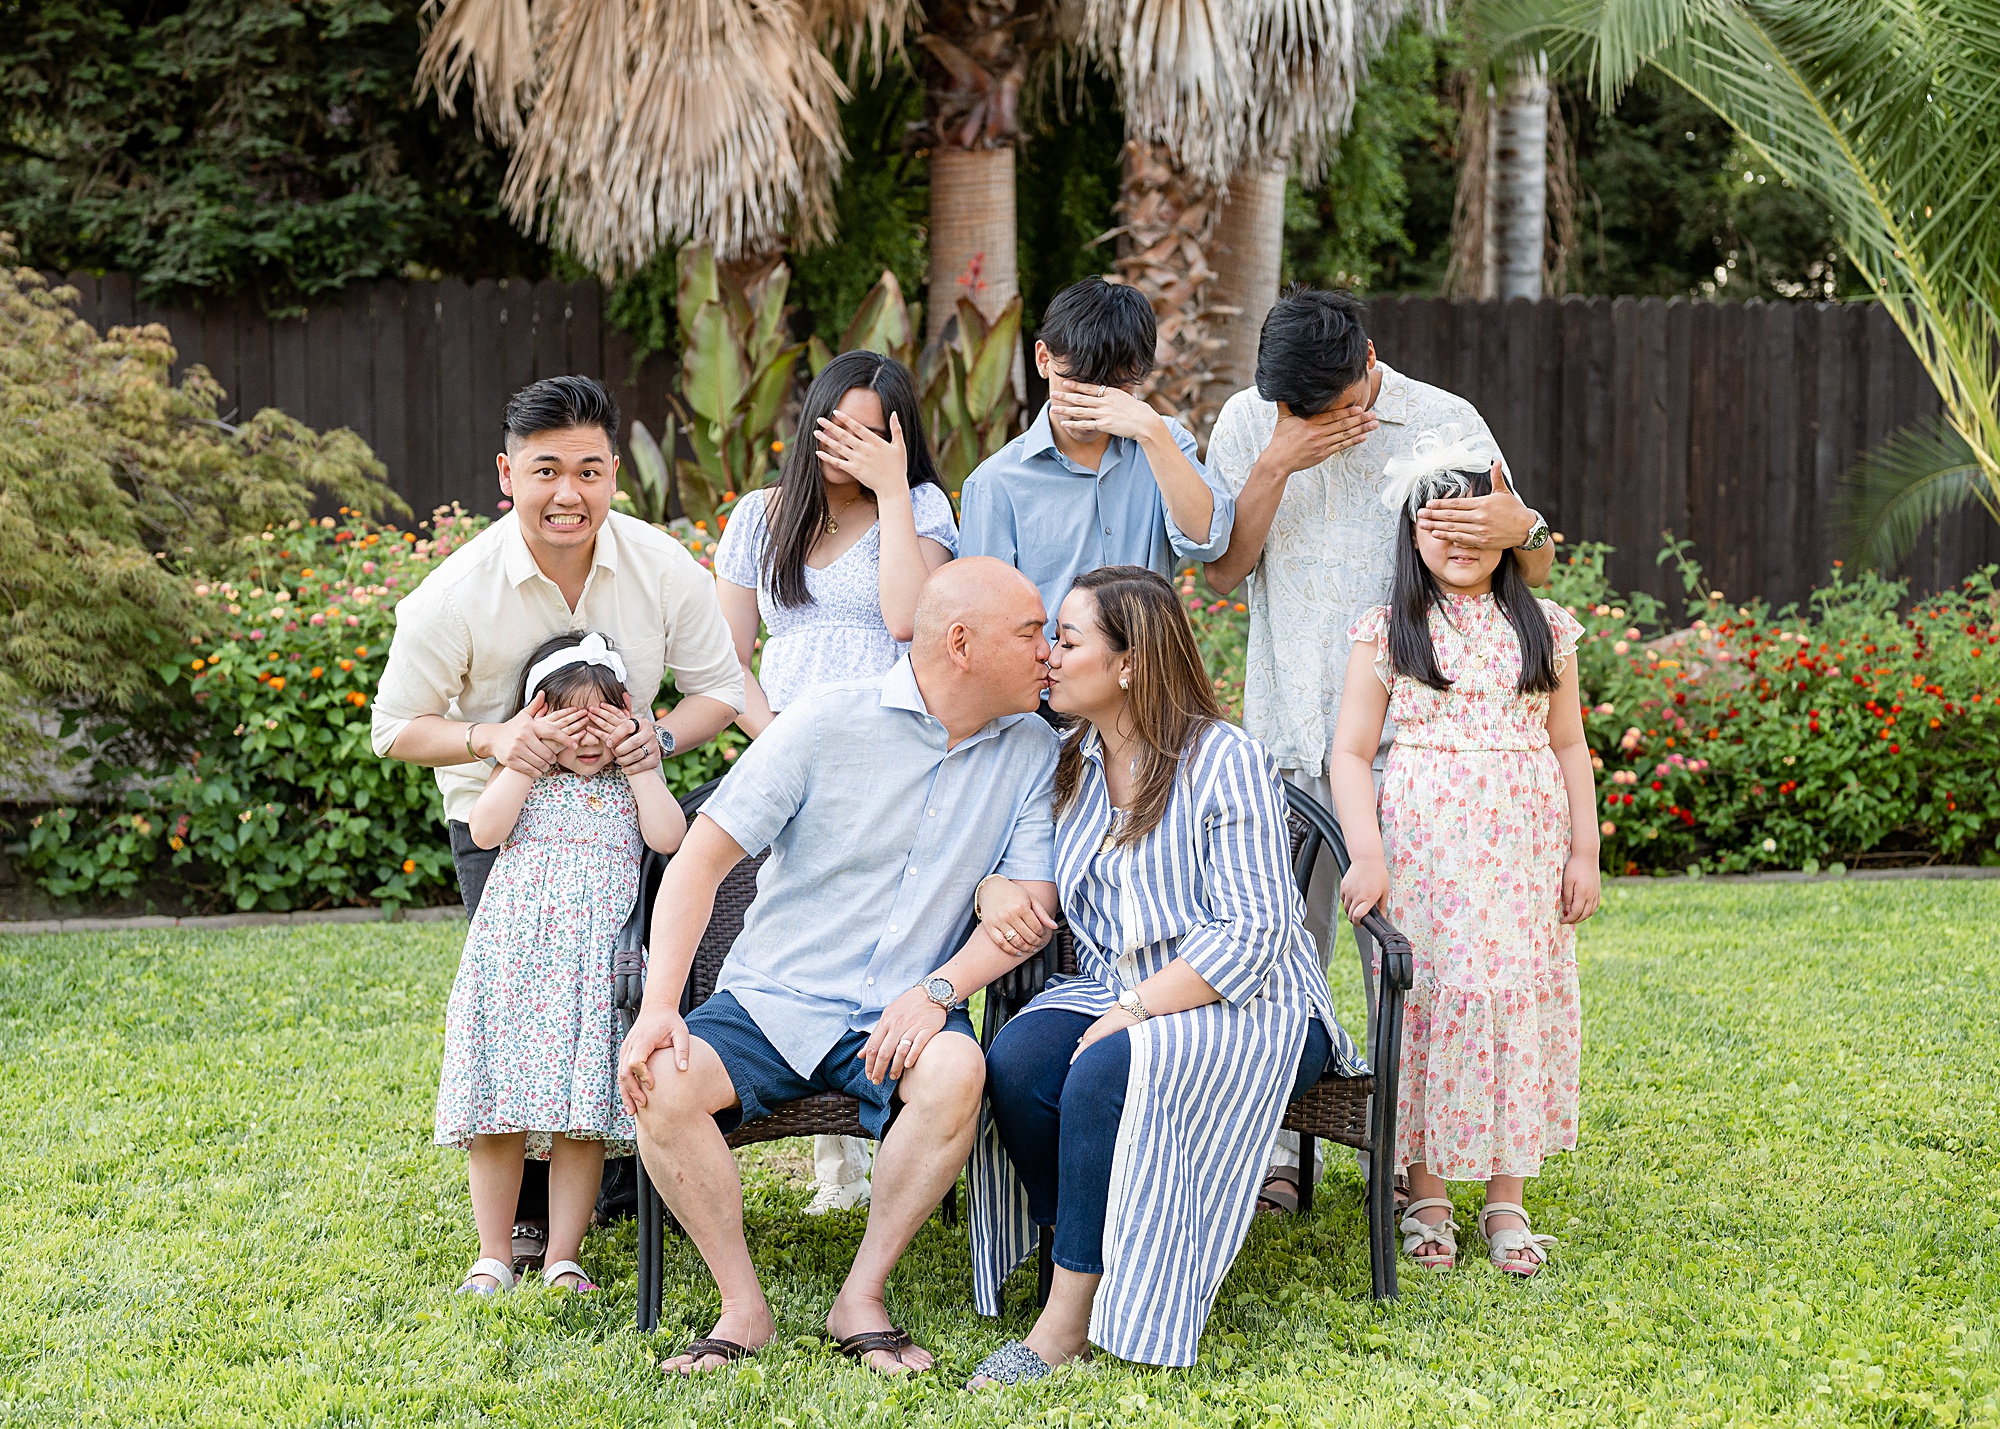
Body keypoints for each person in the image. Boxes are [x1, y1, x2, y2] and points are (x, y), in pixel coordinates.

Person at [616, 559, 1061, 1377]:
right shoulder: (827, 720)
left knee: (958, 1065)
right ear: (961, 643)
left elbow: (1027, 912)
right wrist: (660, 1004)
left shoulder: (1032, 746)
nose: (1051, 651)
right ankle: (742, 1308)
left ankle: (861, 1294)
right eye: (1032, 632)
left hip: (902, 1011)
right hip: (770, 998)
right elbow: (697, 862)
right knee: (664, 1080)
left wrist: (938, 992)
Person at [374, 374, 744, 1269]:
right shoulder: (456, 592)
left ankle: (598, 1199)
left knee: (602, 1013)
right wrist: (492, 737)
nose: (567, 494)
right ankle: (516, 1231)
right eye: (546, 471)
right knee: (518, 1016)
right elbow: (395, 727)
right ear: (508, 474)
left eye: (588, 470)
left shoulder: (660, 568)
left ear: (615, 472)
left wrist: (645, 740)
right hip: (505, 836)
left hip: (623, 826)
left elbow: (722, 692)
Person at [1202, 288, 1555, 1214]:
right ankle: (1274, 1152)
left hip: (1414, 754)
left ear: (1370, 359)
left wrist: (1526, 526)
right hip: (1287, 732)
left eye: (1333, 403)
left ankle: (1411, 1160)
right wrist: (1276, 460)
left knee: (1408, 966)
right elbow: (1223, 568)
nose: (1319, 420)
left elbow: (1528, 561)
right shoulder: (1251, 421)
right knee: (1279, 950)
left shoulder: (1445, 421)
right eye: (1295, 408)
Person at [964, 566, 1362, 1381]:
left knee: (1108, 1067)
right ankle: (1090, 1247)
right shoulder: (1070, 758)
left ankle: (1064, 1323)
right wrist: (990, 885)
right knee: (1017, 1060)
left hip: (1255, 1002)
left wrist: (1138, 1010)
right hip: (1119, 984)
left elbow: (1256, 931)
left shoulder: (1224, 758)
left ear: (1130, 663)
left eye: (1067, 641)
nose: (1048, 656)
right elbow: (1023, 875)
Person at [1328, 436, 1599, 1278]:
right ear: (1412, 533)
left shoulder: (1545, 628)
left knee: (1515, 997)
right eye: (1439, 526)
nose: (1460, 543)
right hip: (1424, 855)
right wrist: (1365, 854)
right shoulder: (1387, 631)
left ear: (1508, 532)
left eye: (1478, 526)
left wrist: (1584, 849)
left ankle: (1507, 1198)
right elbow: (1349, 752)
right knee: (1431, 1003)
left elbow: (1570, 742)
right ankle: (1428, 1192)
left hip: (1522, 852)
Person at [713, 350, 958, 1215]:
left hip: (887, 758)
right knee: (794, 926)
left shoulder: (920, 507)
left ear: (896, 438)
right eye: (835, 423)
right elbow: (723, 662)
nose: (845, 444)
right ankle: (827, 1159)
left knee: (873, 933)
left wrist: (891, 491)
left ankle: (869, 1143)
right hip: (778, 753)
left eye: (868, 430)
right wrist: (779, 742)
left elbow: (907, 619)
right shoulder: (758, 516)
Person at [436, 632, 689, 1295]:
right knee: (499, 1113)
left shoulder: (629, 782)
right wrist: (521, 755)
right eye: (568, 723)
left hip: (590, 976)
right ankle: (493, 1253)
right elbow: (486, 830)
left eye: (599, 724)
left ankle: (563, 1255)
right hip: (513, 968)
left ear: (625, 716)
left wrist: (640, 761)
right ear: (537, 715)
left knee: (583, 1120)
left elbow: (671, 837)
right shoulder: (522, 776)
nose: (585, 742)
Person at [958, 277, 1235, 677]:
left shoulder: (1163, 442)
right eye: (1079, 384)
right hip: (1048, 702)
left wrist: (1152, 432)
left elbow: (1210, 540)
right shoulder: (996, 482)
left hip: (1148, 689)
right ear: (1043, 360)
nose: (1095, 401)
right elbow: (983, 620)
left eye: (1115, 388)